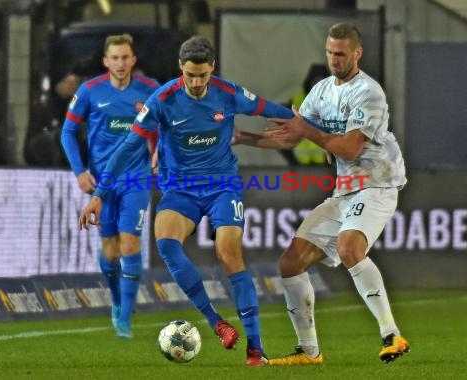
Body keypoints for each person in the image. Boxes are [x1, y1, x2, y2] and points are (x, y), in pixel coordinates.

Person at [78, 35, 294, 366]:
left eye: (202, 75)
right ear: (181, 67)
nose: (195, 82)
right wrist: (99, 194)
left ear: (212, 69)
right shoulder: (162, 99)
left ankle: (255, 347)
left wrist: (305, 125)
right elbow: (127, 148)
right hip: (179, 191)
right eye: (190, 75)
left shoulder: (229, 93)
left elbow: (273, 109)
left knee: (228, 254)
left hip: (223, 186)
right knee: (166, 243)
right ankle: (216, 322)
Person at [235, 22, 409, 365]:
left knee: (349, 247)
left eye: (340, 53)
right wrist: (244, 138)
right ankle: (309, 352)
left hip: (377, 183)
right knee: (290, 263)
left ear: (357, 53)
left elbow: (348, 148)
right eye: (330, 52)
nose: (333, 59)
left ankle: (392, 334)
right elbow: (291, 137)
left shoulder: (368, 93)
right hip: (345, 191)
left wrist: (307, 129)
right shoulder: (322, 91)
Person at [61, 34, 160, 339]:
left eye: (125, 57)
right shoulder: (90, 91)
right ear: (106, 62)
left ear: (133, 60)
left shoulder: (151, 90)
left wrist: (158, 152)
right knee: (110, 251)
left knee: (130, 245)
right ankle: (117, 301)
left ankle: (126, 320)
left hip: (136, 178)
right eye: (114, 58)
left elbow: (164, 127)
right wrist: (79, 172)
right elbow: (67, 132)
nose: (120, 63)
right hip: (102, 182)